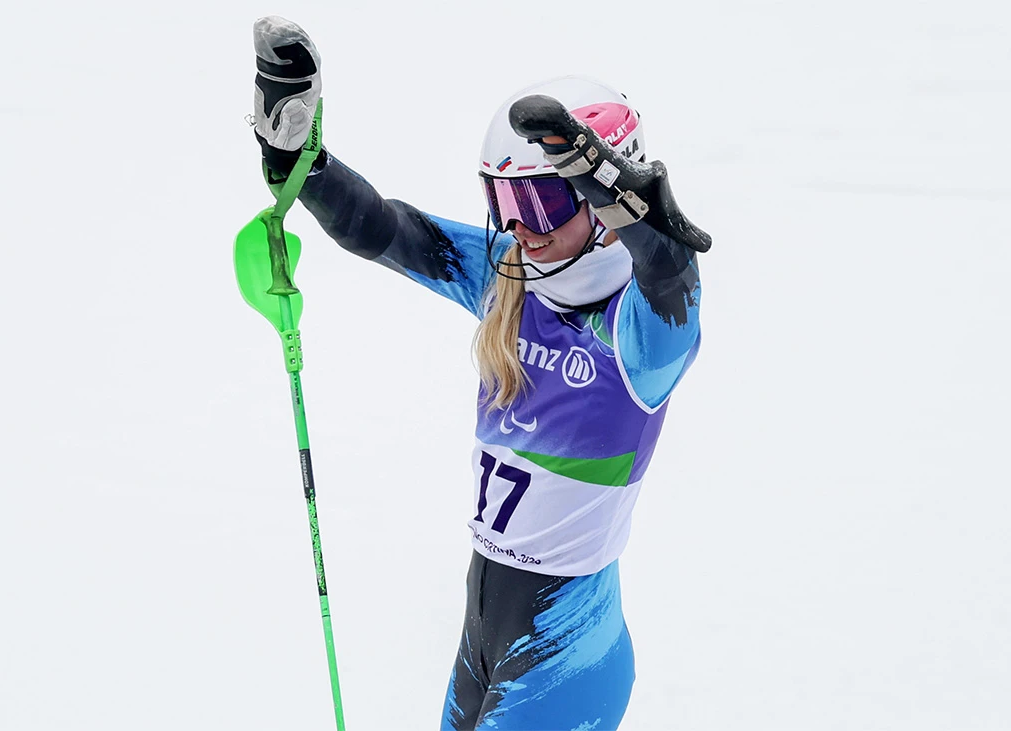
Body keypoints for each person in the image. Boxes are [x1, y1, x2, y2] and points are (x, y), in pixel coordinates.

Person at [253, 15, 710, 731]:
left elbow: (669, 278)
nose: (521, 229)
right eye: (505, 203)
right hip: (484, 642)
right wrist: (296, 160)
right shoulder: (509, 282)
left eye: (543, 202)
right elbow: (384, 228)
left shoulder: (639, 337)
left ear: (606, 202)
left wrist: (620, 197)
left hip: (566, 660)